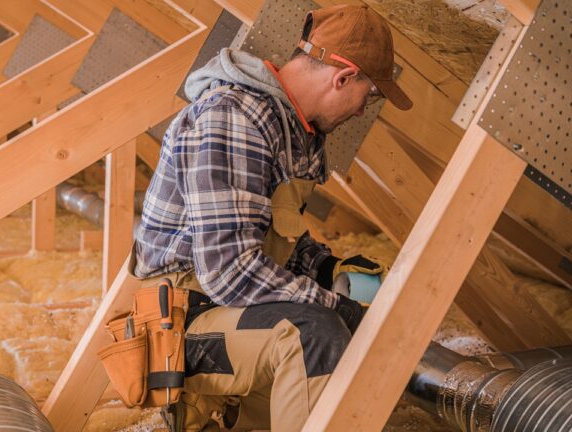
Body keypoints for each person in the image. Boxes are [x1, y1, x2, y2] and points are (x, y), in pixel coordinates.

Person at [131, 4, 412, 431]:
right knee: (314, 334)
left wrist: (327, 268)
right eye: (369, 95)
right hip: (183, 326)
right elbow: (229, 271)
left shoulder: (290, 129)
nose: (361, 111)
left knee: (336, 345)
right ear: (343, 77)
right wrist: (340, 307)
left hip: (229, 312)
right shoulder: (234, 119)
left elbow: (274, 239)